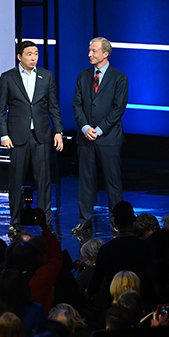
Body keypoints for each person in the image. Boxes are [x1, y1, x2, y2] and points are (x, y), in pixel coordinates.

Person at [0, 40, 64, 235]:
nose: (33, 57)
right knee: (15, 180)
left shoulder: (46, 76)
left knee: (44, 180)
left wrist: (58, 131)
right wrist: (3, 134)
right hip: (17, 136)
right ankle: (15, 221)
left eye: (36, 53)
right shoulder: (8, 77)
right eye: (29, 54)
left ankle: (45, 221)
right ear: (19, 57)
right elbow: (1, 110)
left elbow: (53, 106)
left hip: (41, 135)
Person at [72, 37, 129, 236]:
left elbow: (118, 108)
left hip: (109, 137)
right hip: (85, 137)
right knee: (86, 181)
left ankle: (118, 222)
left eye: (94, 51)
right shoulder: (83, 76)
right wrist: (86, 127)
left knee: (113, 182)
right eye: (89, 50)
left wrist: (100, 129)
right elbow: (77, 105)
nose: (90, 54)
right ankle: (84, 221)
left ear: (105, 54)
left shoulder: (119, 78)